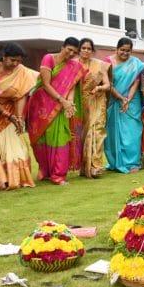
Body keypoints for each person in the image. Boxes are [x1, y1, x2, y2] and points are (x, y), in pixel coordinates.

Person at [27, 37, 86, 186]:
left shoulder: (74, 65)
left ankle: (58, 175)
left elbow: (71, 85)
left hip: (60, 106)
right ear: (62, 47)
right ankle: (45, 171)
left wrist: (70, 103)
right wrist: (63, 101)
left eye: (75, 51)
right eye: (69, 50)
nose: (71, 53)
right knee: (41, 139)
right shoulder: (49, 59)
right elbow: (46, 84)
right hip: (41, 104)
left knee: (60, 137)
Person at [0, 43, 38, 190]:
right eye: (12, 60)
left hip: (14, 112)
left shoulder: (20, 70)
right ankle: (0, 181)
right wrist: (6, 114)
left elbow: (21, 94)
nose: (16, 64)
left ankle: (17, 179)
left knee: (15, 145)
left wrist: (19, 117)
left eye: (19, 61)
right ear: (4, 57)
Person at [104, 37, 144, 173]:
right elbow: (108, 84)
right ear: (116, 49)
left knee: (133, 132)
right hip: (114, 99)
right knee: (113, 131)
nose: (125, 53)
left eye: (128, 51)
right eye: (122, 50)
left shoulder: (135, 63)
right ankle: (116, 162)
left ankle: (133, 163)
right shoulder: (107, 62)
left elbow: (136, 82)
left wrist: (128, 98)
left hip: (132, 101)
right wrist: (121, 98)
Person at [78, 38, 110, 178]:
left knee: (97, 132)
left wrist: (99, 87)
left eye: (89, 49)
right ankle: (85, 167)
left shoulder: (100, 65)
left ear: (92, 51)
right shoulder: (73, 65)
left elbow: (108, 85)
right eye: (83, 48)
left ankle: (96, 166)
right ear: (79, 49)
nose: (86, 51)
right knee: (82, 135)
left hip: (97, 101)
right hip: (80, 103)